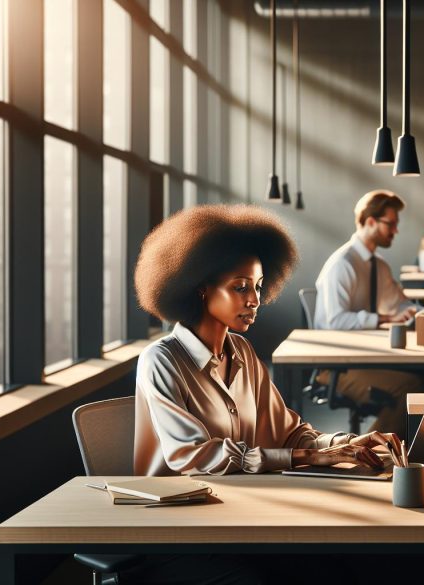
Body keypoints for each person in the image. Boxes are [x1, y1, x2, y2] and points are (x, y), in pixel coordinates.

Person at [130, 204, 399, 583]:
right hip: (180, 532)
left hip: (242, 519)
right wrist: (312, 457)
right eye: (240, 287)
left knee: (344, 565)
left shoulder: (241, 352)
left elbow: (290, 433)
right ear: (200, 286)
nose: (254, 299)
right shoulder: (160, 360)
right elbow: (195, 457)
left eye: (257, 286)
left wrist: (348, 444)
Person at [314, 190, 423, 436]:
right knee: (410, 388)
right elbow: (336, 321)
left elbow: (400, 305)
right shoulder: (342, 264)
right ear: (371, 221)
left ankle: (390, 450)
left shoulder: (379, 266)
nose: (395, 230)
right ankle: (369, 452)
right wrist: (385, 319)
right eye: (391, 223)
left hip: (364, 357)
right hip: (335, 366)